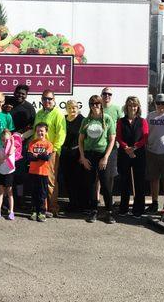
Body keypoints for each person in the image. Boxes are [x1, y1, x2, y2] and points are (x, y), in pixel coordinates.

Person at [78, 95, 117, 224]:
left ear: (101, 104)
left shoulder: (107, 119)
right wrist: (83, 157)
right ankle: (93, 211)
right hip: (89, 155)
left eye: (97, 103)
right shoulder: (86, 120)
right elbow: (81, 140)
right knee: (91, 184)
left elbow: (112, 140)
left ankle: (109, 212)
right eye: (92, 103)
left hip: (103, 155)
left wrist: (106, 157)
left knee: (106, 184)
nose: (95, 106)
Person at [33, 90, 66, 217]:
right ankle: (43, 207)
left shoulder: (58, 114)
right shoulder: (39, 113)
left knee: (50, 180)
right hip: (38, 150)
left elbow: (61, 134)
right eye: (45, 99)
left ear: (54, 100)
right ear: (41, 100)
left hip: (51, 152)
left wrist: (54, 149)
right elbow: (36, 131)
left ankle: (53, 207)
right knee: (41, 179)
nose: (47, 101)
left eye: (49, 99)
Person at [116, 96, 148, 218]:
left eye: (134, 105)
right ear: (126, 107)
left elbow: (145, 138)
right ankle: (123, 208)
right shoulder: (121, 121)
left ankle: (138, 210)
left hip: (139, 154)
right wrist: (126, 148)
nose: (132, 108)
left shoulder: (142, 121)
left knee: (139, 182)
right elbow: (118, 136)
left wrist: (134, 147)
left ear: (138, 107)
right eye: (130, 105)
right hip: (124, 153)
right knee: (125, 181)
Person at [4, 84, 36, 207]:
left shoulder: (29, 108)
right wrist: (4, 107)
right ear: (14, 92)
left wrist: (21, 137)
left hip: (21, 145)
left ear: (26, 95)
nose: (20, 95)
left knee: (20, 173)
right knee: (7, 172)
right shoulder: (7, 102)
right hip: (6, 144)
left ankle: (20, 198)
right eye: (18, 93)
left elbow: (33, 127)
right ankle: (7, 199)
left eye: (23, 94)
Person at [96, 87, 123, 205]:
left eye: (109, 94)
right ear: (101, 95)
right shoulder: (97, 108)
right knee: (97, 174)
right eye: (105, 94)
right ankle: (96, 198)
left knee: (110, 174)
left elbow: (121, 126)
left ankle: (109, 198)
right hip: (98, 145)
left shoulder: (116, 109)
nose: (107, 96)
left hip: (112, 146)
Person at [59, 100, 86, 212]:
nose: (72, 110)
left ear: (77, 108)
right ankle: (72, 203)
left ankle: (81, 204)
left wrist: (82, 155)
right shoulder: (63, 119)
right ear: (66, 109)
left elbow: (85, 139)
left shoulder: (82, 120)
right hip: (65, 153)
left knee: (78, 180)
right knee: (68, 179)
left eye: (74, 107)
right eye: (69, 108)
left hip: (77, 153)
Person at [27, 123, 54, 222]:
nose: (40, 133)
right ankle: (34, 211)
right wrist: (40, 155)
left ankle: (42, 212)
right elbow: (29, 157)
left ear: (46, 132)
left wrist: (36, 155)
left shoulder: (49, 144)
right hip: (33, 172)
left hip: (43, 173)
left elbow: (46, 157)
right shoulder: (32, 143)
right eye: (38, 131)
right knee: (34, 193)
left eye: (42, 131)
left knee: (42, 194)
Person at [0, 129, 17, 220]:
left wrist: (12, 141)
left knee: (10, 192)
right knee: (1, 192)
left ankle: (11, 211)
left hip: (9, 173)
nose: (5, 141)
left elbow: (10, 152)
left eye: (7, 140)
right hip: (1, 172)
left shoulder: (13, 147)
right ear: (1, 139)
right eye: (3, 140)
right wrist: (2, 159)